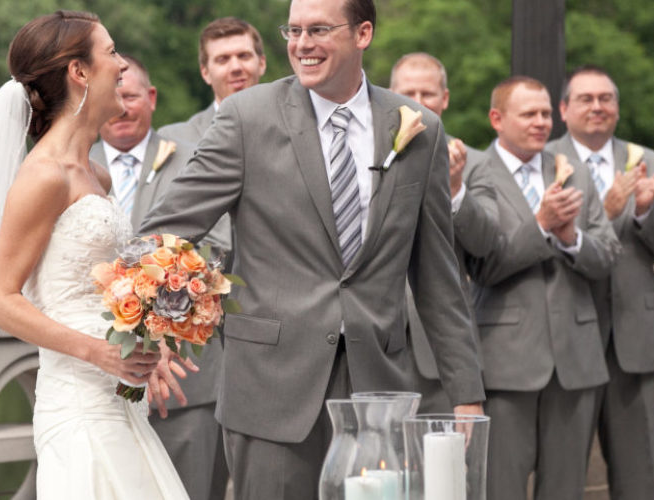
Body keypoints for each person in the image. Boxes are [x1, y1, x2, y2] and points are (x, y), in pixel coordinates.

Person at [139, 0, 485, 497]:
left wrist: (466, 392)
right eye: (294, 30)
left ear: (362, 33)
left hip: (378, 389)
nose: (302, 44)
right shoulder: (246, 117)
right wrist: (162, 330)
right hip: (269, 389)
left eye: (319, 29)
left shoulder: (419, 128)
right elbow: (164, 234)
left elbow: (436, 275)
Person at [0, 11, 188, 499]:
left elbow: (109, 286)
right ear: (79, 73)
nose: (122, 66)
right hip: (78, 404)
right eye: (111, 52)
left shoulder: (96, 175)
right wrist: (98, 352)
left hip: (120, 398)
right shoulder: (44, 176)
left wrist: (151, 339)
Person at [466, 76, 618, 500]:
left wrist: (571, 238)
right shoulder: (476, 175)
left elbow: (607, 256)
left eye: (547, 113)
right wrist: (541, 226)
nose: (541, 122)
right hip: (505, 364)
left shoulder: (574, 171)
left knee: (566, 490)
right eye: (529, 114)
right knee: (501, 488)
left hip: (576, 360)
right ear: (497, 119)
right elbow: (484, 265)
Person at [90, 53, 228, 500]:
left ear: (150, 98)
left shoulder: (196, 158)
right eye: (116, 96)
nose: (123, 108)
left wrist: (159, 316)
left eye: (132, 96)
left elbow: (218, 247)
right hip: (94, 373)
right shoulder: (71, 164)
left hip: (187, 381)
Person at [547, 65, 654, 500]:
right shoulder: (544, 161)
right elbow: (535, 246)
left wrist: (646, 210)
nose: (597, 107)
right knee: (560, 475)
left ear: (618, 109)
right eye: (586, 99)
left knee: (638, 476)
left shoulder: (649, 162)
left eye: (606, 99)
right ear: (564, 109)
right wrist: (604, 213)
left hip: (635, 341)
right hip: (565, 339)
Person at [389, 52, 498, 414]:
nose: (417, 103)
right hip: (376, 341)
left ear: (445, 99)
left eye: (428, 94)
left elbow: (484, 243)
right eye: (407, 92)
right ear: (390, 95)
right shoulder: (370, 156)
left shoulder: (478, 164)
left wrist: (454, 189)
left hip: (441, 353)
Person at [159, 16, 267, 145]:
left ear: (261, 64)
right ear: (205, 73)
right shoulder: (173, 140)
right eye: (223, 59)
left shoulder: (293, 126)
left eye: (243, 56)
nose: (235, 67)